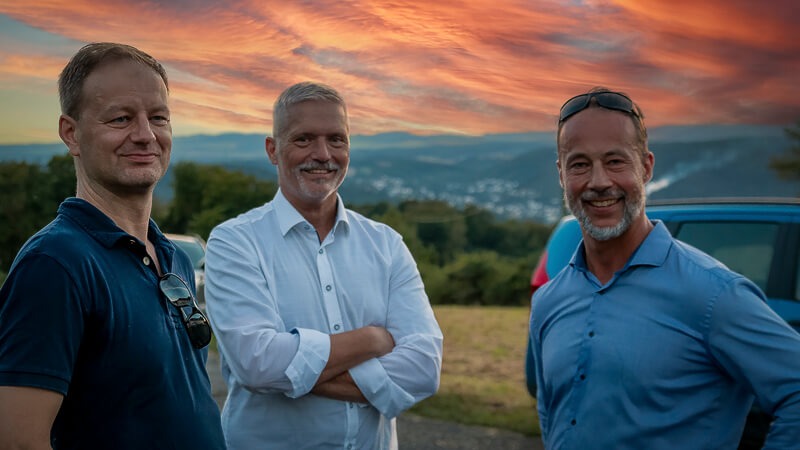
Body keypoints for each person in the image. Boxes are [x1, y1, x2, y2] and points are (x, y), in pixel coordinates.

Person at [529, 87, 800, 448]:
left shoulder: (714, 295)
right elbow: (552, 415)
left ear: (646, 167)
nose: (598, 182)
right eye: (580, 164)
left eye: (615, 161)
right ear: (562, 175)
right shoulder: (549, 301)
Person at [0, 43, 226, 449]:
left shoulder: (171, 256)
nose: (145, 135)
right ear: (72, 134)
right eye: (121, 119)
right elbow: (18, 440)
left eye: (159, 118)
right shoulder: (55, 263)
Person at [204, 81, 443, 449]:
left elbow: (423, 368)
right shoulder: (236, 242)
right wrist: (372, 339)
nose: (323, 154)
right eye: (303, 140)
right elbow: (258, 364)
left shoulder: (386, 244)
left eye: (337, 139)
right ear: (273, 149)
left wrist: (294, 376)